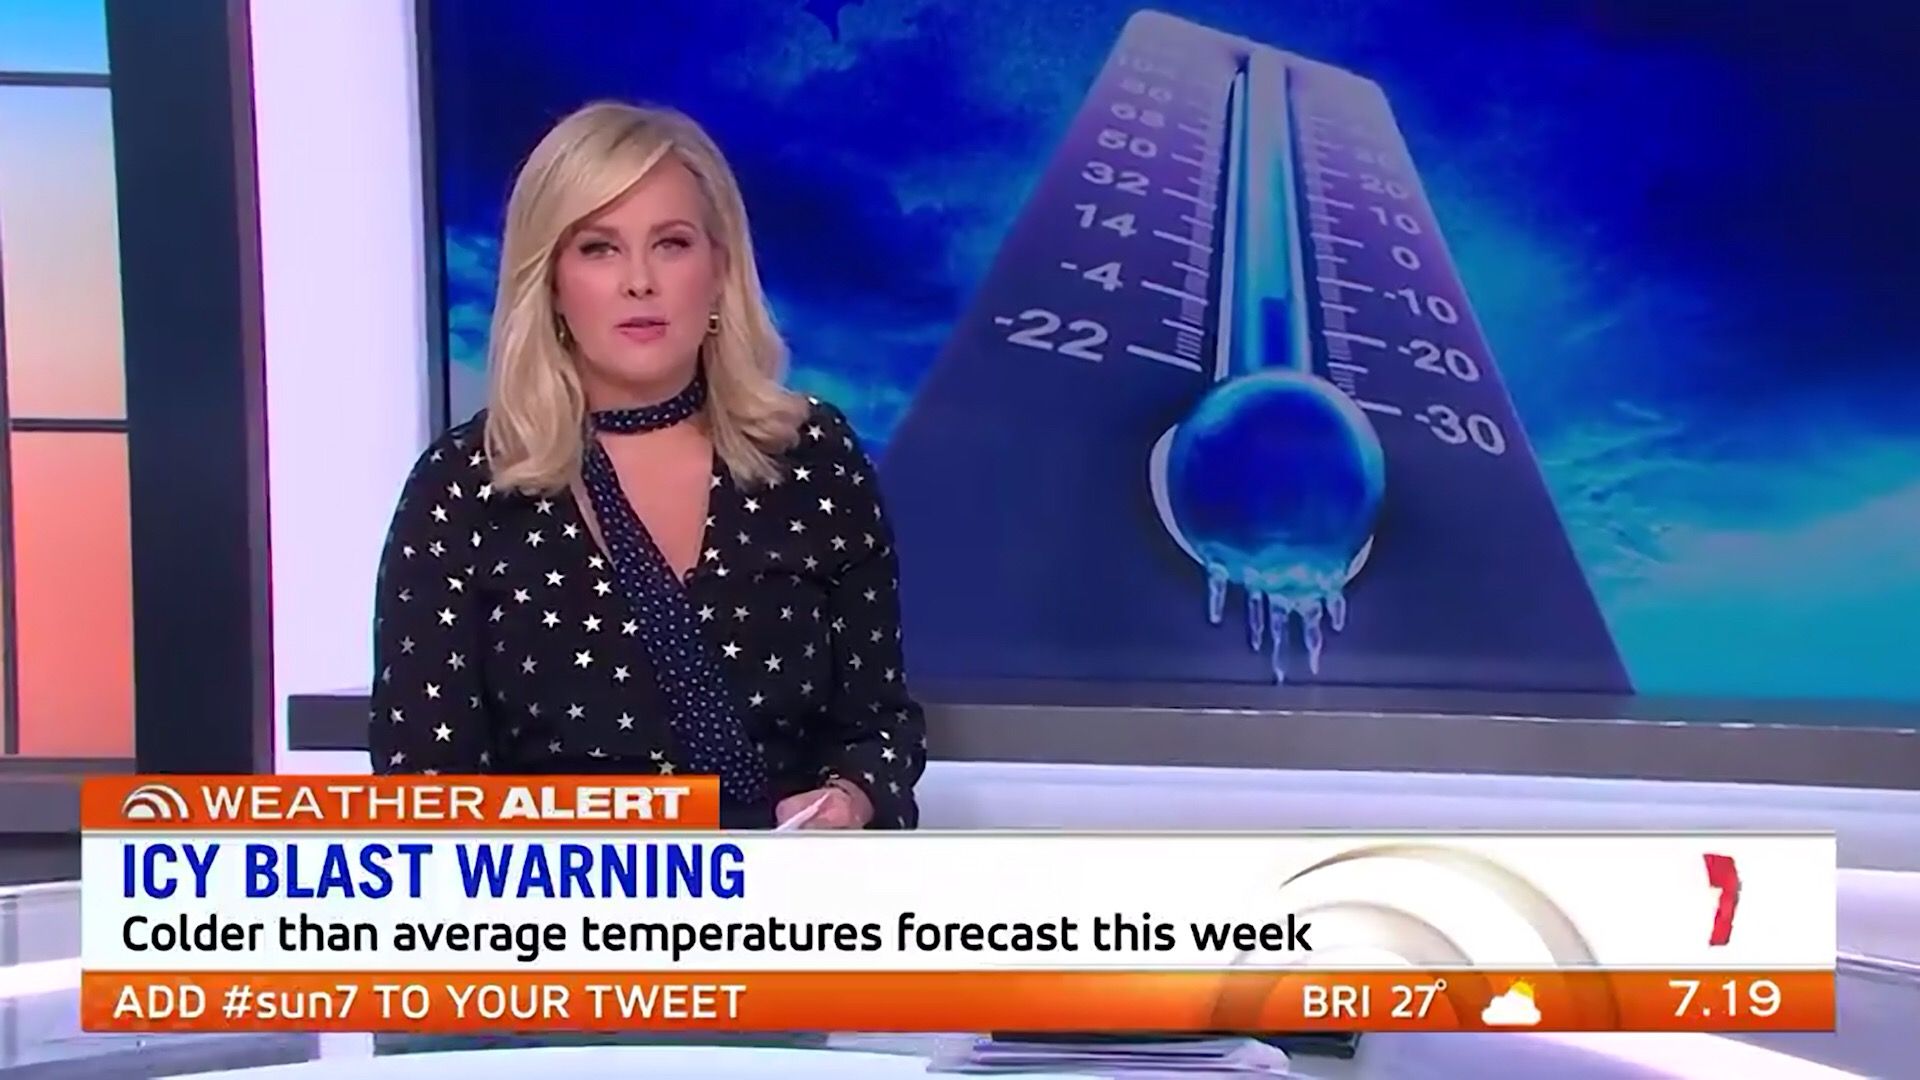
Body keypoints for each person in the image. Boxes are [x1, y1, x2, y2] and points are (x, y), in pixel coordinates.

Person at [367, 101, 926, 830]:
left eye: (671, 244)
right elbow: (425, 790)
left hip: (785, 894)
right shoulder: (465, 486)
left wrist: (847, 800)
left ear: (719, 267)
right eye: (599, 248)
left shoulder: (812, 456)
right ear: (551, 282)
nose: (639, 281)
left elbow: (879, 726)